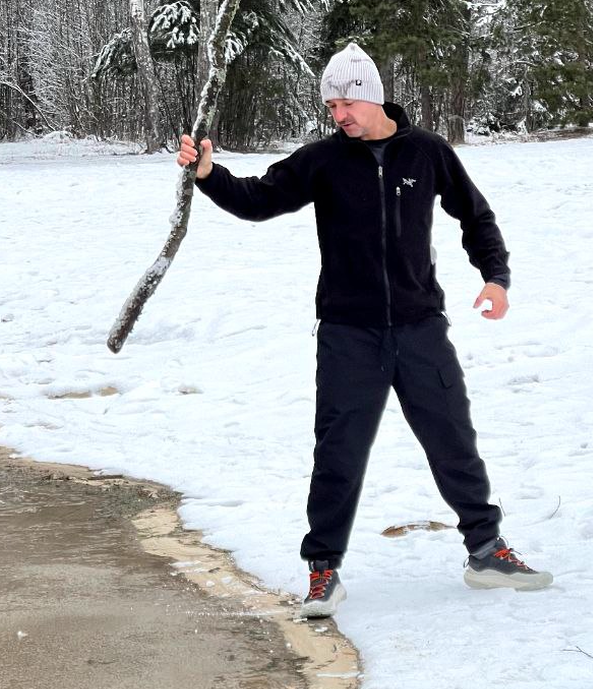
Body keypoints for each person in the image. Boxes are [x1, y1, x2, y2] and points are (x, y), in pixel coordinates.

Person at [177, 42, 553, 618]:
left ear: (372, 96)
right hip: (348, 332)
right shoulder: (323, 161)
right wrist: (208, 173)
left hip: (420, 324)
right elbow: (259, 199)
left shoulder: (427, 153)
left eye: (346, 102)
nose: (338, 115)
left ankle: (486, 551)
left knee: (453, 438)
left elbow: (475, 215)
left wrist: (495, 277)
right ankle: (323, 569)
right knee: (339, 451)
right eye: (331, 106)